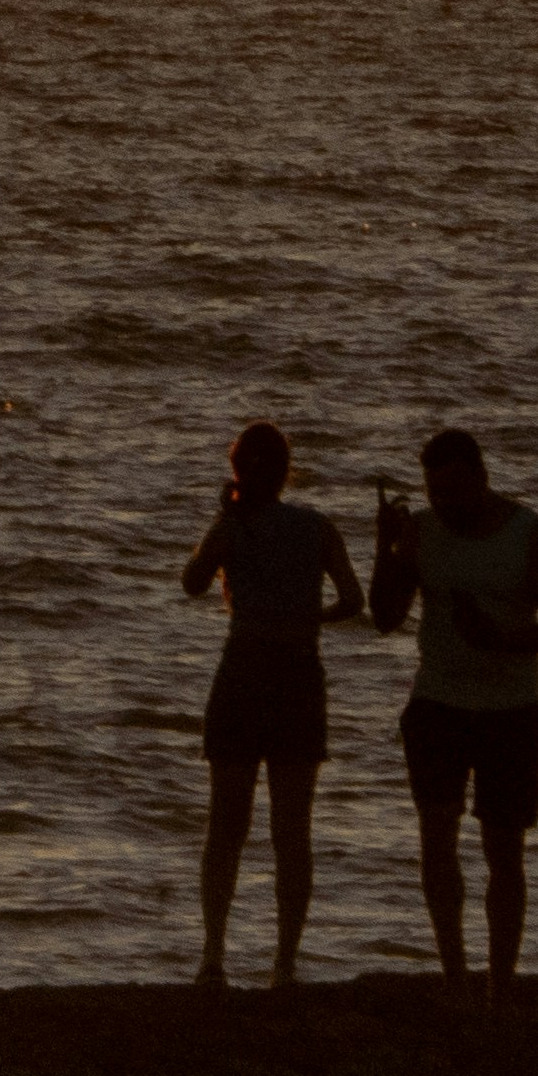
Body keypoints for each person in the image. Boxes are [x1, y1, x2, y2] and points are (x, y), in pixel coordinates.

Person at [371, 426, 538, 996]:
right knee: (436, 839)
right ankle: (456, 977)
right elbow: (386, 617)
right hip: (436, 703)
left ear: (483, 480)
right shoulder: (422, 533)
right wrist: (387, 549)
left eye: (455, 492)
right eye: (435, 493)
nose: (445, 504)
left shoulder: (529, 535)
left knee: (504, 851)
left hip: (510, 710)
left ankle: (501, 986)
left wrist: (500, 640)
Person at [177, 420, 364, 989]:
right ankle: (283, 964)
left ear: (237, 470)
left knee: (226, 825)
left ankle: (213, 955)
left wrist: (223, 525)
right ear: (286, 471)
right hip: (298, 676)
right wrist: (309, 618)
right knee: (291, 829)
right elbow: (353, 601)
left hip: (244, 673)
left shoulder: (233, 527)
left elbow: (191, 584)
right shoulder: (316, 526)